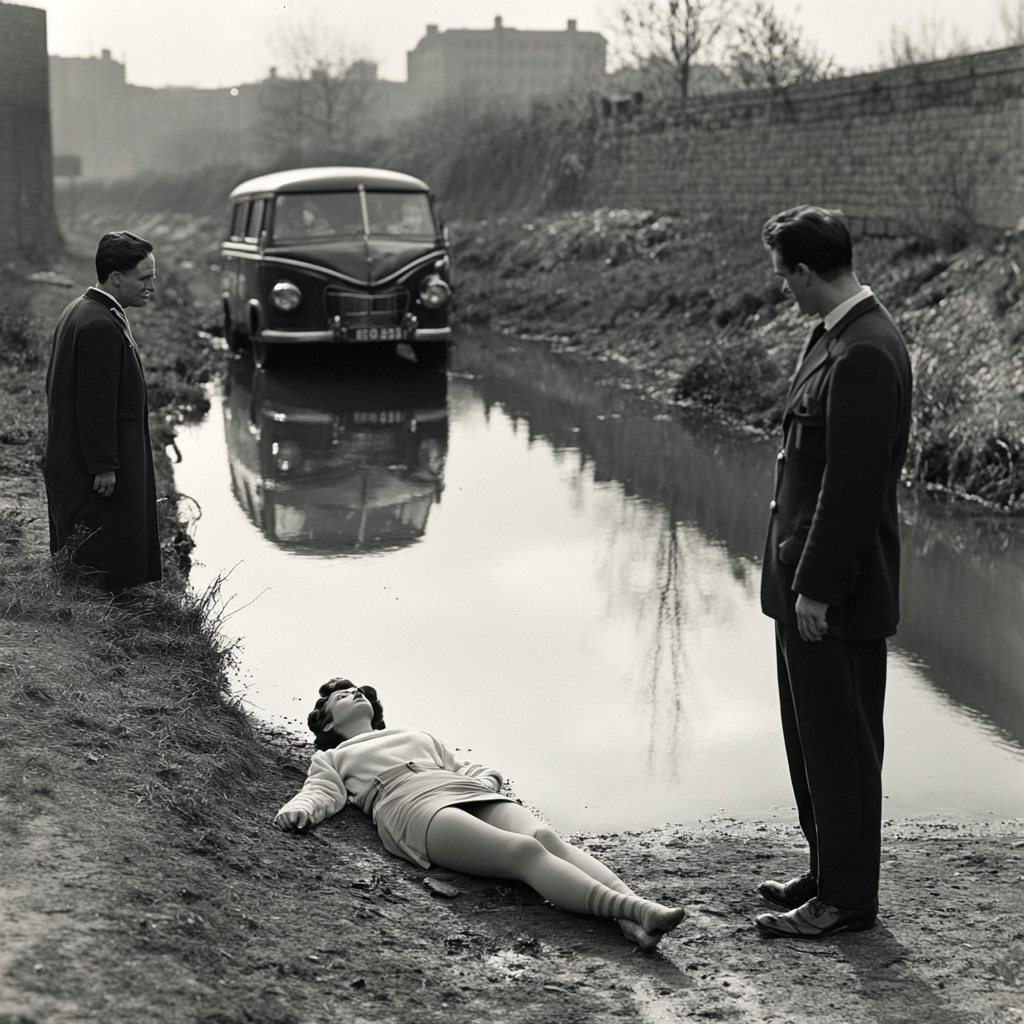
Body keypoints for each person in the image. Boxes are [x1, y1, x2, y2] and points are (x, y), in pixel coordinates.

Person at [755, 206, 912, 938]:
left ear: (806, 272)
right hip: (802, 584)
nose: (781, 288)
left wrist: (817, 586)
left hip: (833, 592)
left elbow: (850, 489)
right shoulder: (836, 337)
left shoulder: (866, 352)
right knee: (811, 735)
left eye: (783, 274)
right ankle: (827, 868)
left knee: (842, 745)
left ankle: (847, 899)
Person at [275, 678, 686, 952]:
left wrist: (486, 777)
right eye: (340, 696)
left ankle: (632, 916)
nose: (354, 693)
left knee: (547, 838)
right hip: (409, 804)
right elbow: (320, 793)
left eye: (357, 690)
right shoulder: (332, 755)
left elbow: (460, 768)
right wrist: (298, 811)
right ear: (328, 721)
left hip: (460, 789)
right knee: (523, 852)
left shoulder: (417, 734)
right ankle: (637, 912)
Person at [44, 231, 162, 591]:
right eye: (145, 278)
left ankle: (97, 589)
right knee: (104, 543)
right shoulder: (98, 324)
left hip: (81, 452)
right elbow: (94, 404)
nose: (151, 287)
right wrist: (104, 464)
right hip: (95, 459)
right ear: (116, 277)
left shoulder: (84, 309)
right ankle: (105, 599)